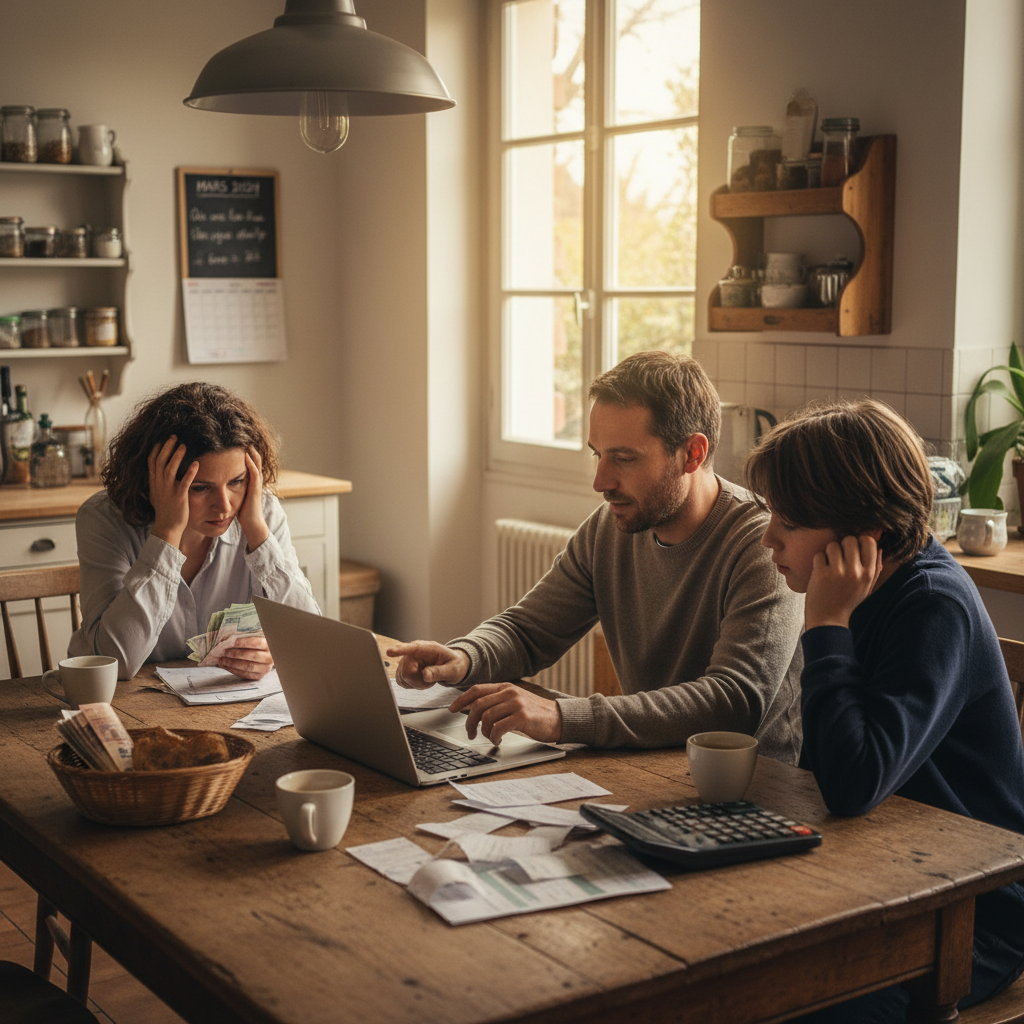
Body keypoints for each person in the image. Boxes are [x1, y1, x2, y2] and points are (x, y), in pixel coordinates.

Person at [745, 397, 1024, 1021]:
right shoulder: (856, 590)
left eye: (787, 522)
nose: (768, 538)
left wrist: (827, 625)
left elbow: (851, 783)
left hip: (969, 919)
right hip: (876, 879)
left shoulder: (932, 605)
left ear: (858, 533)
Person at [388, 350, 806, 763]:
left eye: (624, 458)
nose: (600, 481)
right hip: (646, 766)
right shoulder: (610, 527)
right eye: (597, 454)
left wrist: (560, 717)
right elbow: (529, 630)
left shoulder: (762, 543)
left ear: (692, 454)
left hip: (755, 788)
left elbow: (734, 701)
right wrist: (464, 658)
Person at [69, 382, 320, 680]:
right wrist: (166, 533)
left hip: (224, 707)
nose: (224, 506)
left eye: (236, 482)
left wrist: (271, 651)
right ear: (155, 479)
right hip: (128, 704)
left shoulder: (260, 513)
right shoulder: (104, 520)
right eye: (200, 488)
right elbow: (115, 662)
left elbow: (310, 642)